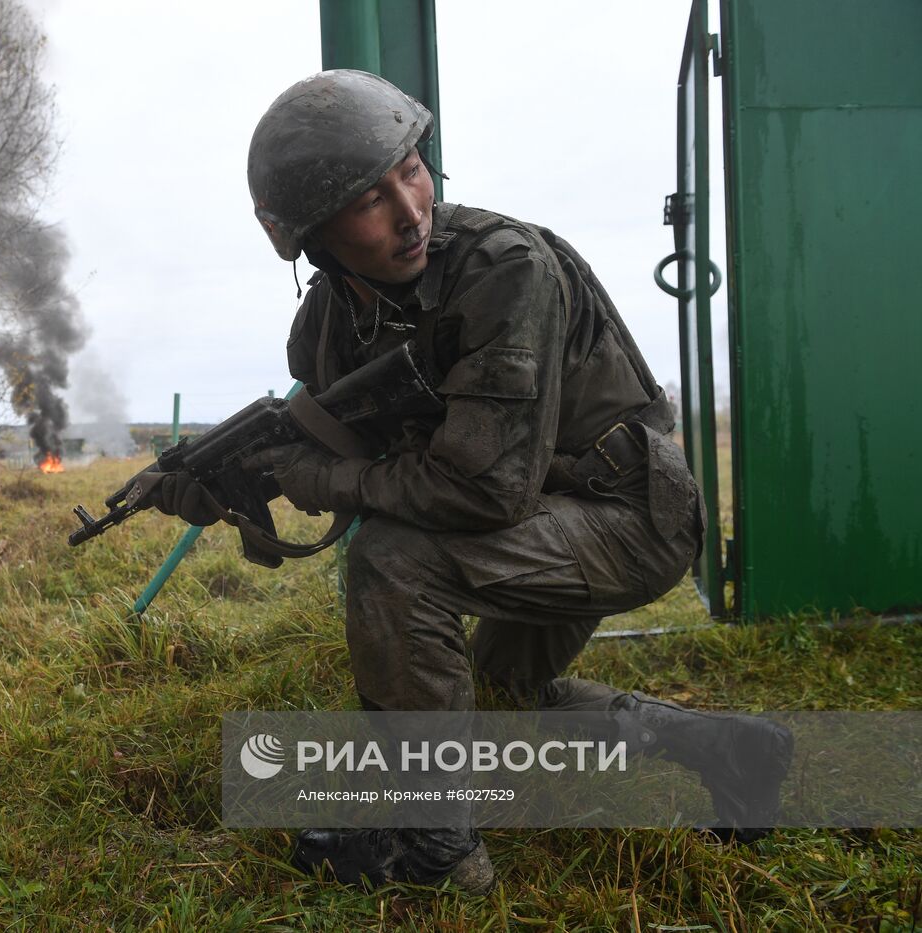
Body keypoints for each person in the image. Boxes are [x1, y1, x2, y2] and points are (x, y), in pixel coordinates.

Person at [153, 71, 792, 893]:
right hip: (539, 516)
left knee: (393, 560)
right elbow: (344, 449)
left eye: (411, 169)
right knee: (499, 707)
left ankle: (433, 846)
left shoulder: (503, 269)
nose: (410, 209)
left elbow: (481, 491)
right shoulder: (324, 331)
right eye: (368, 199)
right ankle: (729, 748)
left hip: (627, 511)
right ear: (314, 235)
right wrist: (232, 490)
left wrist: (323, 479)